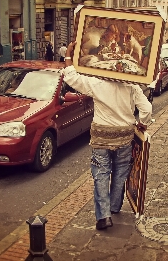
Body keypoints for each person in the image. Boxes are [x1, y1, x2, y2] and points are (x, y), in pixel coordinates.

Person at [62, 41, 152, 230]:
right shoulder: (131, 85)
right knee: (120, 172)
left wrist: (69, 56)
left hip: (101, 136)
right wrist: (142, 123)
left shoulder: (97, 82)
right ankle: (114, 207)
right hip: (124, 136)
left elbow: (71, 78)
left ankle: (103, 217)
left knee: (101, 174)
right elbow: (146, 109)